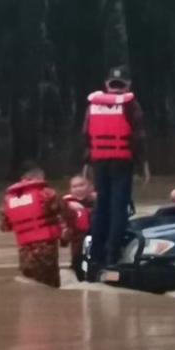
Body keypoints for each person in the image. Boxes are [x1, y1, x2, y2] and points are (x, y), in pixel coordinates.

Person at [84, 65, 149, 274]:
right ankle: (112, 255)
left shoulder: (93, 104)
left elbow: (86, 134)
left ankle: (95, 256)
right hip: (122, 161)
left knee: (101, 206)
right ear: (128, 84)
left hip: (99, 161)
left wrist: (86, 162)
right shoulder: (131, 105)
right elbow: (138, 137)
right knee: (118, 207)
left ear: (107, 84)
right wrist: (143, 164)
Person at [0, 165, 63, 288]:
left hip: (24, 250)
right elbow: (63, 211)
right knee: (51, 287)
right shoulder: (46, 193)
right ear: (39, 178)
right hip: (46, 247)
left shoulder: (9, 200)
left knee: (31, 285)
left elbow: (4, 227)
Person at [60, 174, 96, 281]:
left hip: (98, 245)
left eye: (81, 185)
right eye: (74, 186)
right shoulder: (65, 205)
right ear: (70, 189)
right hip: (77, 247)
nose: (78, 189)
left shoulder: (100, 201)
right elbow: (62, 228)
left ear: (91, 187)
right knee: (79, 270)